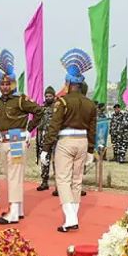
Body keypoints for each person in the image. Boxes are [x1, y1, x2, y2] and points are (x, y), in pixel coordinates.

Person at [41, 49, 97, 232]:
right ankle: (73, 215)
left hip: (65, 142)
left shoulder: (62, 102)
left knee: (63, 179)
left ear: (68, 83)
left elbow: (54, 126)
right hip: (82, 142)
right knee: (77, 179)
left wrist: (45, 148)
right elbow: (92, 129)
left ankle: (71, 217)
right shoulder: (90, 104)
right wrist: (90, 150)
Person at [0, 49, 43, 224]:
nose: (5, 87)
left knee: (14, 176)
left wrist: (29, 130)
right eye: (2, 84)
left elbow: (39, 111)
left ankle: (13, 213)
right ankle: (18, 209)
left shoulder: (20, 100)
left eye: (8, 84)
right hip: (4, 141)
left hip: (16, 140)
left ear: (13, 84)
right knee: (11, 176)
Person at [35, 86, 56, 191]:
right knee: (44, 160)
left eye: (50, 96)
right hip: (43, 138)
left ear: (54, 96)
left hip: (55, 138)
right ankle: (44, 182)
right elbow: (36, 121)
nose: (48, 98)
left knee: (57, 161)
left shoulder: (57, 107)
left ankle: (58, 185)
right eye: (46, 96)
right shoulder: (41, 108)